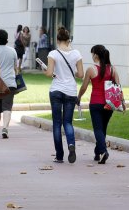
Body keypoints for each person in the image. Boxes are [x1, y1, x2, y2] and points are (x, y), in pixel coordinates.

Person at [43, 27, 83, 164]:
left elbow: (49, 73)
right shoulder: (76, 53)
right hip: (71, 91)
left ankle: (59, 155)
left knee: (57, 123)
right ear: (68, 40)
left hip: (56, 90)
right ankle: (71, 145)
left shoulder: (53, 53)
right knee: (67, 122)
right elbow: (81, 74)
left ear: (57, 39)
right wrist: (73, 72)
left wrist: (45, 70)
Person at [77, 45, 121, 164]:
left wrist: (79, 97)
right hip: (108, 104)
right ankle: (97, 152)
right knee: (103, 129)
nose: (91, 56)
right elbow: (118, 87)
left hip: (95, 103)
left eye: (92, 54)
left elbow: (84, 87)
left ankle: (103, 151)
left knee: (98, 129)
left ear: (96, 55)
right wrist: (123, 101)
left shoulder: (91, 69)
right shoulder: (112, 69)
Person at [0, 30, 18, 138]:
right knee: (7, 106)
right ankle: (5, 128)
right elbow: (15, 67)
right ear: (7, 38)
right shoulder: (12, 51)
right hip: (10, 83)